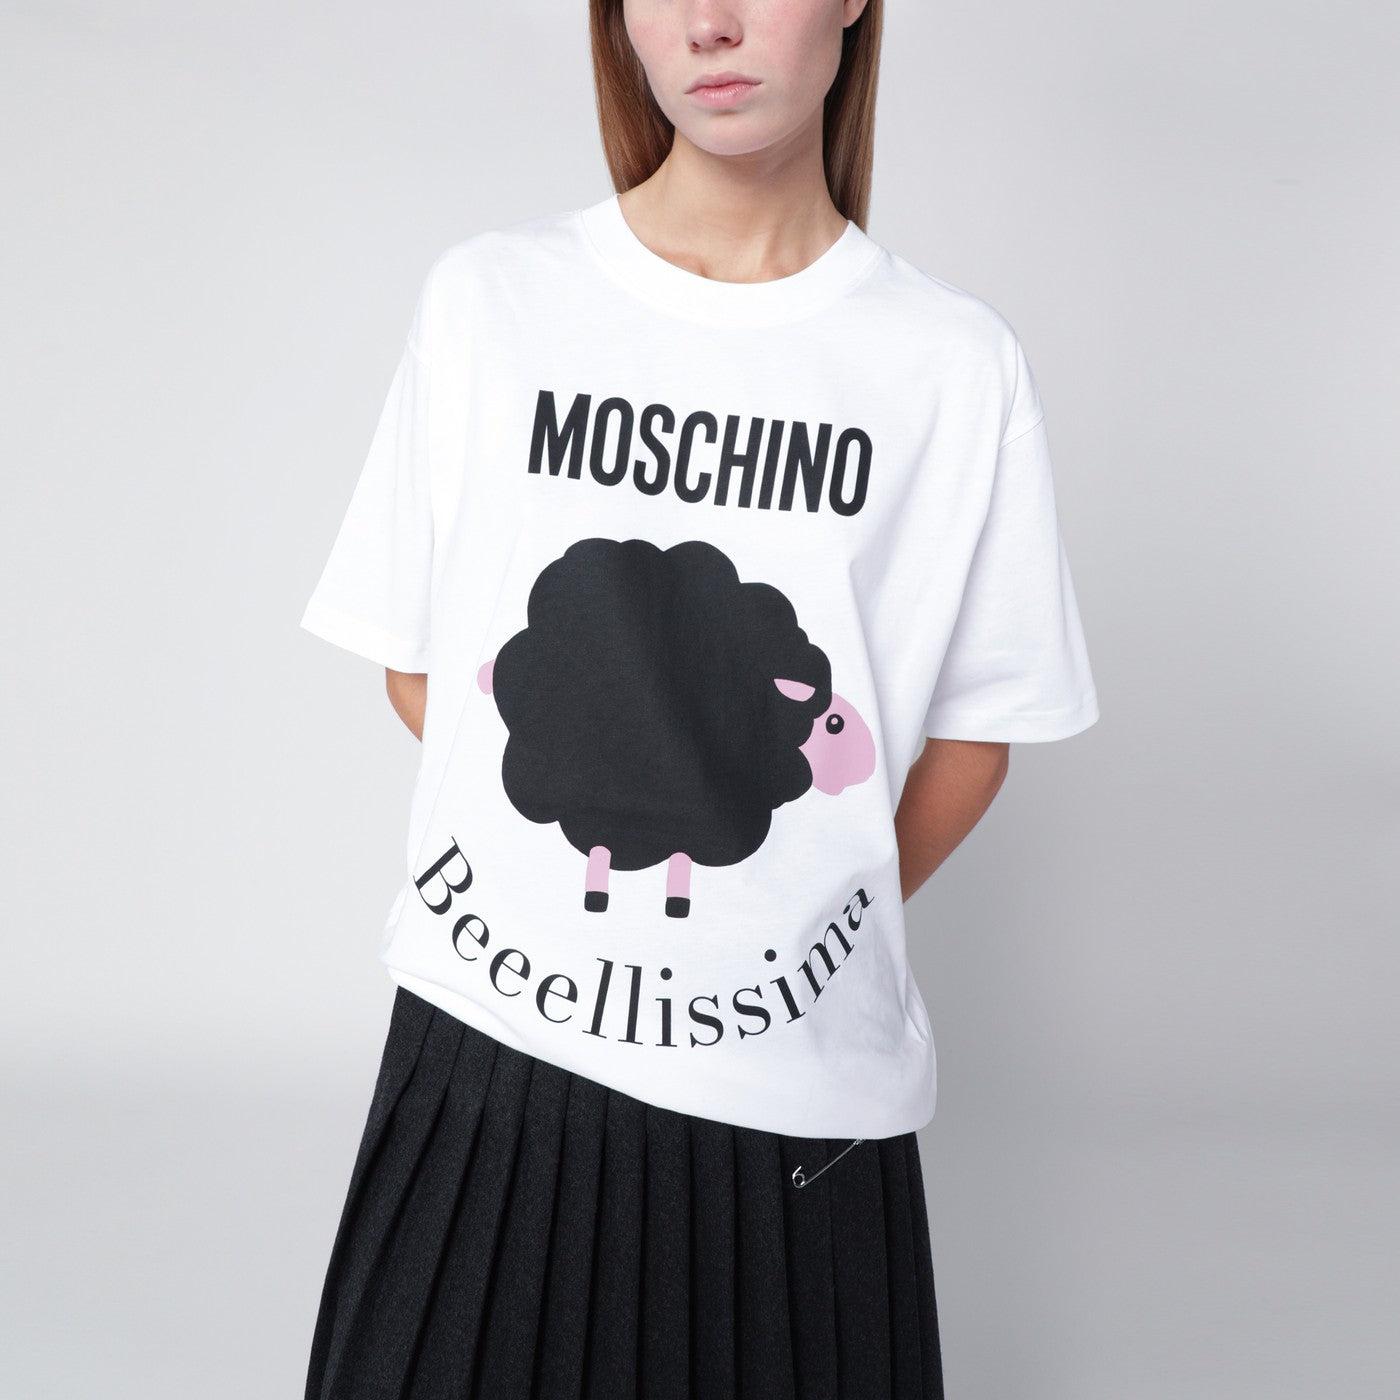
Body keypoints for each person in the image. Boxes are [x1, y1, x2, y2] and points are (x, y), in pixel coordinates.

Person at [299, 2, 1097, 1396]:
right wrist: (600, 800)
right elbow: (419, 659)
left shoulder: (949, 364)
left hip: (796, 1100)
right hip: (491, 1046)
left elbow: (981, 737)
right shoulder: (493, 299)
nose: (712, 23)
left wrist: (789, 896)